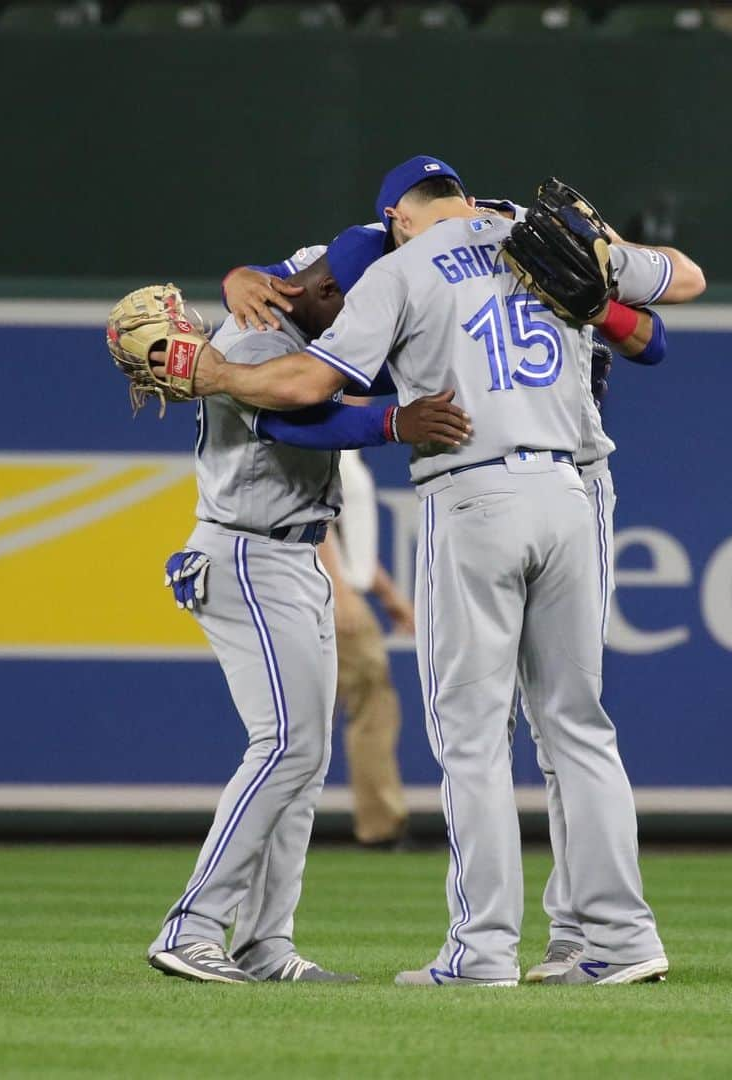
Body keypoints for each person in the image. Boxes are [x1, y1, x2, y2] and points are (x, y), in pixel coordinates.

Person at [162, 155, 705, 986]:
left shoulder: (402, 267)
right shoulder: (537, 234)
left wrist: (213, 374)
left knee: (474, 739)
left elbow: (306, 385)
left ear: (400, 220)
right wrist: (606, 291)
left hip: (475, 492)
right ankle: (621, 941)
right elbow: (685, 287)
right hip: (570, 489)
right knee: (580, 726)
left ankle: (482, 951)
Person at [146, 225, 471, 984]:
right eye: (362, 310)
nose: (370, 329)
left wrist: (237, 268)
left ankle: (265, 943)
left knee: (305, 754)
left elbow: (330, 254)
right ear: (328, 295)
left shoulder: (316, 285)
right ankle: (191, 927)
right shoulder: (261, 341)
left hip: (292, 553)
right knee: (286, 745)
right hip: (249, 550)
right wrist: (396, 418)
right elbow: (296, 416)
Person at [318, 449, 412, 847]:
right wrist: (339, 591)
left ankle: (382, 823)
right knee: (370, 703)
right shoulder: (325, 443)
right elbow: (314, 519)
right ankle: (382, 825)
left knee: (368, 703)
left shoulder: (348, 450)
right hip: (326, 595)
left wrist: (388, 594)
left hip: (342, 591)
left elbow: (349, 535)